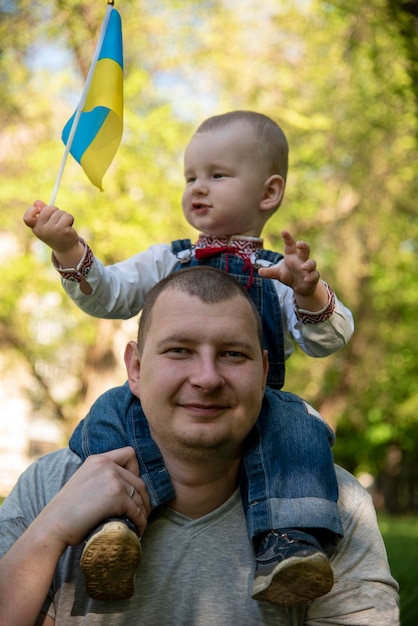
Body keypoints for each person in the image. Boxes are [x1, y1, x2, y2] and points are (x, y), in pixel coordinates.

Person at [23, 111, 355, 604]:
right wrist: (69, 248)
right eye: (190, 177)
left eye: (217, 175)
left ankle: (288, 547)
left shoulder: (277, 274)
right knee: (110, 413)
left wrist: (307, 293)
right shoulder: (168, 261)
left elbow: (327, 340)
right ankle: (114, 528)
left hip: (254, 408)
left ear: (269, 194)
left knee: (300, 427)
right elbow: (109, 296)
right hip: (163, 418)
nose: (198, 188)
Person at [0, 268, 399, 625]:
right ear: (136, 369)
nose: (207, 378)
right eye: (179, 350)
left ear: (263, 373)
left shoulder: (331, 502)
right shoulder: (52, 486)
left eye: (232, 354)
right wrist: (48, 534)